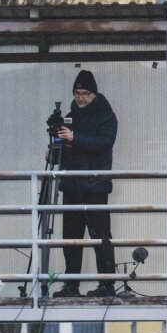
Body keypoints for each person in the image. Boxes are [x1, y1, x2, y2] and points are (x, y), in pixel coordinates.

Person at [52, 70, 118, 298]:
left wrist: (74, 138)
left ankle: (107, 284)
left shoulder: (106, 116)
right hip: (72, 185)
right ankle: (71, 284)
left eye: (85, 93)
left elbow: (104, 143)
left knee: (100, 237)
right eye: (77, 93)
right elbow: (67, 149)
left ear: (94, 94)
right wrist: (54, 152)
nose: (80, 97)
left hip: (95, 186)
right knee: (71, 238)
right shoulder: (70, 116)